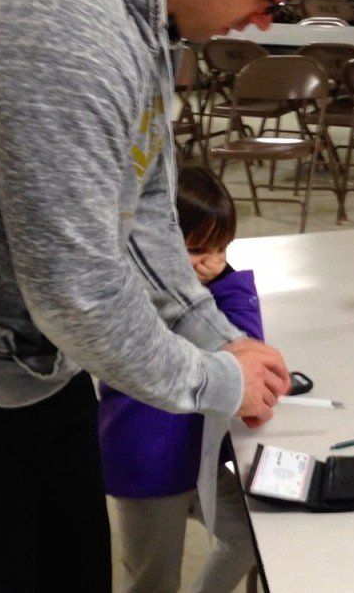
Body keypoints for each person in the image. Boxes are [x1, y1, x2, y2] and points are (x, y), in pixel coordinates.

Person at [0, 0, 328, 588]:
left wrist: (214, 333)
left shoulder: (137, 15)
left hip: (34, 365)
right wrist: (218, 379)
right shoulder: (65, 17)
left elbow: (145, 210)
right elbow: (77, 292)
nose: (264, 23)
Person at [99, 165, 259, 592]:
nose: (215, 262)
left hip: (199, 459)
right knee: (153, 581)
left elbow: (248, 348)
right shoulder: (129, 301)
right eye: (199, 250)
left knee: (248, 538)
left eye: (223, 248)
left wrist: (224, 284)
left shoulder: (217, 289)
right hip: (148, 466)